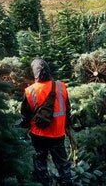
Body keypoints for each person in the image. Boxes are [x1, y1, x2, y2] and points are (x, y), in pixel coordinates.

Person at [20, 58, 73, 186]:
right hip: (58, 134)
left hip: (38, 135)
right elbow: (68, 110)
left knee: (40, 165)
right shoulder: (61, 86)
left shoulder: (30, 91)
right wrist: (66, 127)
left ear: (34, 72)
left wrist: (24, 126)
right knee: (63, 166)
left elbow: (25, 117)